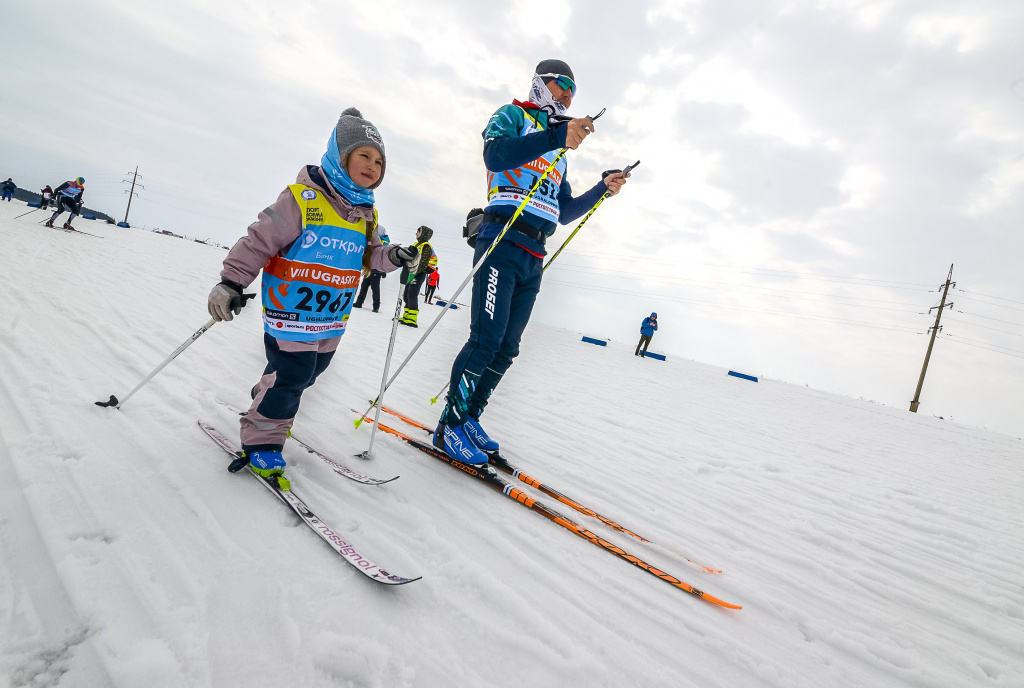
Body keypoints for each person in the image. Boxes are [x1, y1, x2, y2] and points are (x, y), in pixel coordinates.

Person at [206, 108, 419, 490]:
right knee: (293, 375)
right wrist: (231, 282)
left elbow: (371, 256)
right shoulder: (302, 199)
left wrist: (395, 256)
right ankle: (262, 439)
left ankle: (267, 400)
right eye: (364, 156)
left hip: (331, 317)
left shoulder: (366, 214)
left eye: (379, 161)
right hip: (290, 312)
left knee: (308, 375)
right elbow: (259, 240)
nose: (372, 166)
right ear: (341, 156)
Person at [434, 59, 630, 465]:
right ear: (541, 84)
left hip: (534, 252)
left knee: (507, 347)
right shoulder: (514, 116)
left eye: (573, 91)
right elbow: (496, 155)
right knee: (485, 340)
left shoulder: (560, 149)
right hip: (501, 239)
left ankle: (469, 417)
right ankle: (448, 427)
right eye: (561, 85)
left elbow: (564, 210)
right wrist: (557, 134)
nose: (567, 95)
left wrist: (602, 189)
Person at [398, 225, 435, 327]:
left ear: (423, 234)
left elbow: (423, 262)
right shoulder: (417, 244)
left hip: (419, 273)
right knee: (406, 294)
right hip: (412, 272)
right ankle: (406, 316)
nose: (416, 234)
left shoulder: (426, 246)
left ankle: (413, 318)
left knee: (412, 294)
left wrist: (415, 271)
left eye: (418, 232)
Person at [353, 228, 389, 312]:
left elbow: (384, 258)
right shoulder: (374, 241)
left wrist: (384, 270)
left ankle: (376, 306)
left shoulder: (384, 243)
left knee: (375, 288)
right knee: (364, 285)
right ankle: (359, 302)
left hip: (377, 269)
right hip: (369, 267)